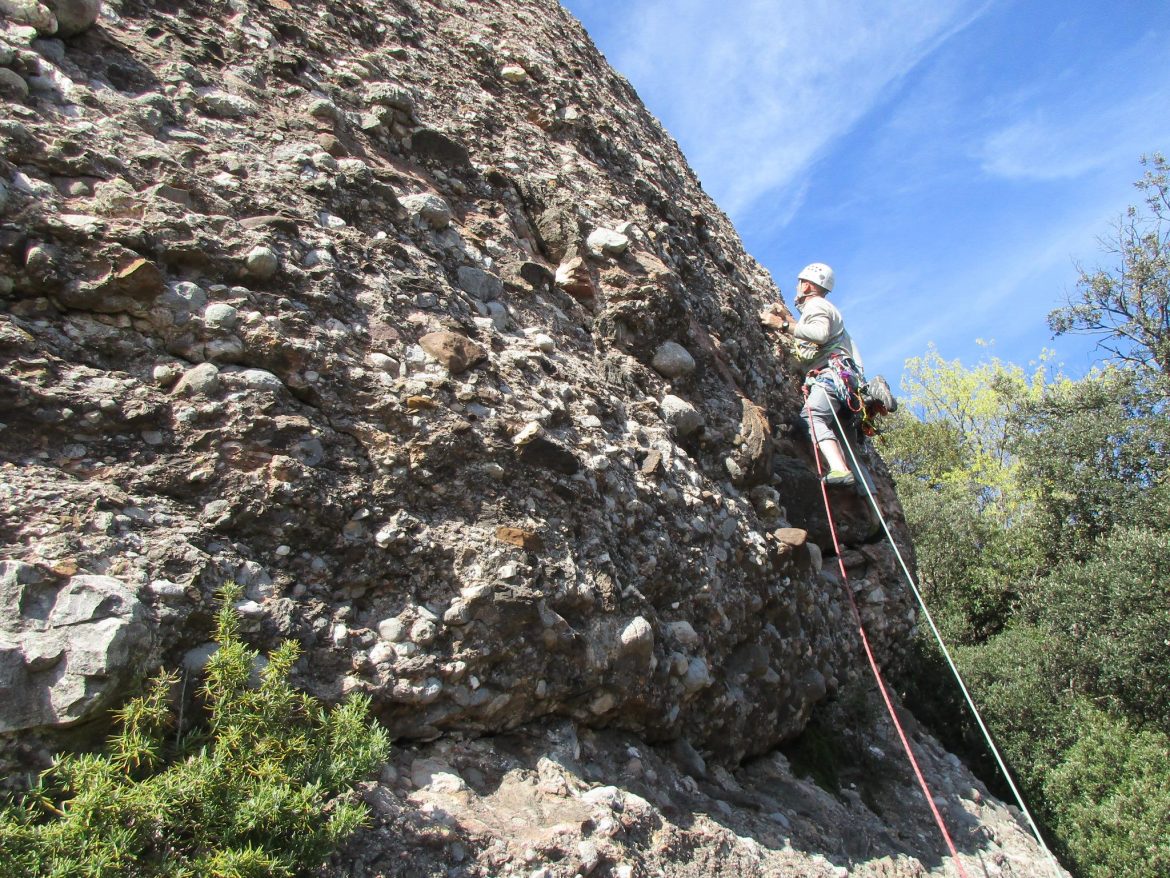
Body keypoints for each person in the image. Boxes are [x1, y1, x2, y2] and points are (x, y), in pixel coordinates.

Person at [760, 262, 863, 486]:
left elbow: (819, 334)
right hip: (841, 378)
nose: (797, 288)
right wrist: (789, 318)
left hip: (830, 375)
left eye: (799, 284)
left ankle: (839, 469)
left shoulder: (816, 305)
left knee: (812, 415)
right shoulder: (822, 308)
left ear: (806, 286)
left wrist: (782, 324)